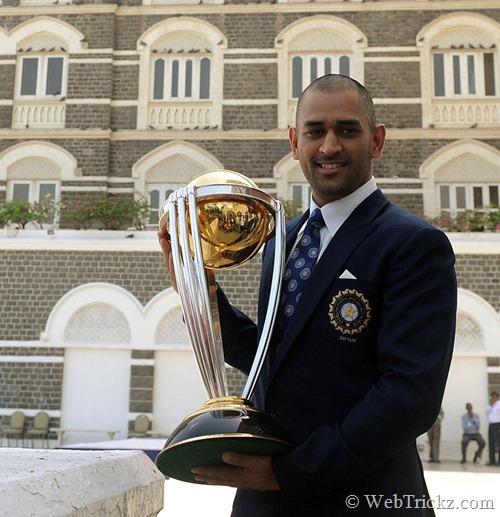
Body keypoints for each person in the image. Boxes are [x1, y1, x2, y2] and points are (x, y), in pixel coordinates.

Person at [158, 74, 457, 516]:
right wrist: (197, 290)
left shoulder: (412, 243)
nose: (329, 146)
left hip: (365, 495)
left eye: (347, 130)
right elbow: (271, 356)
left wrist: (289, 472)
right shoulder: (283, 239)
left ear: (376, 141)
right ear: (296, 142)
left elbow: (409, 395)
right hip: (265, 499)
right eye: (316, 131)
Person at [486, 391, 500, 466]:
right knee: (491, 442)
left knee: (498, 443)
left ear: (497, 397)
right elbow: (487, 412)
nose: (493, 398)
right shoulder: (490, 405)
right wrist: (491, 405)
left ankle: (499, 461)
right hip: (491, 425)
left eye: (495, 397)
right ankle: (492, 461)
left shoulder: (499, 404)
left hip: (497, 424)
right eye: (492, 397)